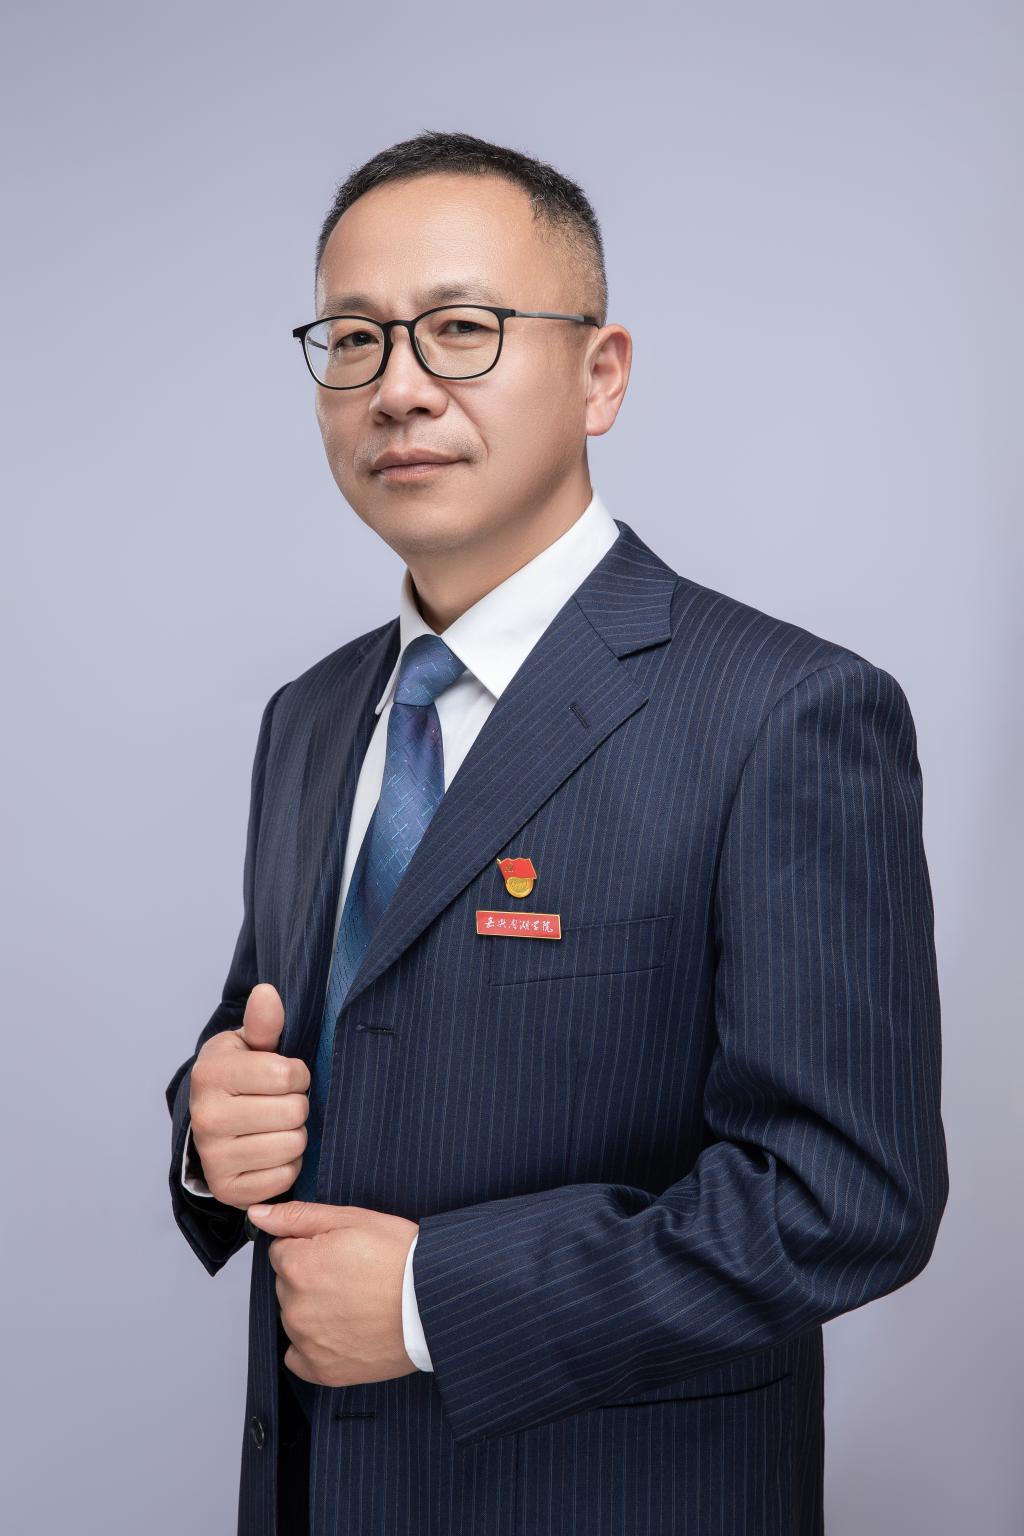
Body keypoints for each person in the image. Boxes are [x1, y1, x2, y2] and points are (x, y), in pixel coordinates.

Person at [165, 128, 948, 1536]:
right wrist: (208, 1129)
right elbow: (284, 1033)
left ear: (601, 375)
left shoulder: (785, 712)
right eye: (355, 338)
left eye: (462, 328)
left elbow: (845, 1197)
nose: (399, 386)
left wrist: (430, 1303)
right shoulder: (311, 716)